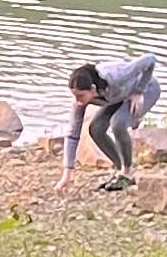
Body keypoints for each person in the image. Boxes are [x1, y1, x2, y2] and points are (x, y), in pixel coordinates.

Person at [63, 46, 162, 185]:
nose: (78, 101)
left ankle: (127, 173)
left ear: (92, 89)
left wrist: (139, 91)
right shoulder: (81, 101)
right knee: (96, 129)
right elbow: (72, 134)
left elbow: (150, 59)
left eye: (80, 96)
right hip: (117, 96)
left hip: (146, 90)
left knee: (118, 124)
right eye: (74, 96)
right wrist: (68, 172)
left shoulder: (118, 75)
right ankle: (119, 168)